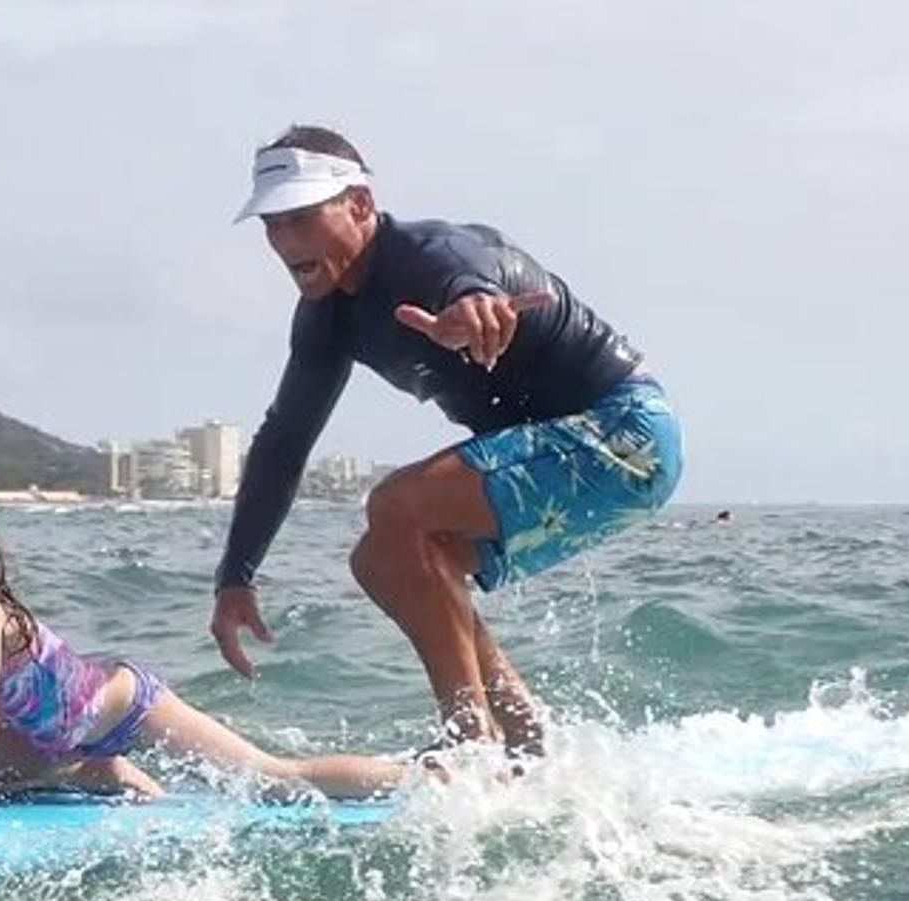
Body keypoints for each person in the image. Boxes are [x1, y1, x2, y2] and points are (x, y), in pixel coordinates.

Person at [213, 125, 683, 756]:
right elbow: (283, 443)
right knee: (384, 562)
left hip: (626, 435)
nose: (284, 240)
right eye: (273, 223)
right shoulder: (325, 319)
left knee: (396, 506)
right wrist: (235, 577)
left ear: (359, 204)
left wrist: (476, 304)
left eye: (301, 217)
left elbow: (473, 266)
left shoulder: (426, 252)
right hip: (574, 454)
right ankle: (524, 738)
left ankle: (467, 738)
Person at [0, 472, 403, 844]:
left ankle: (423, 781)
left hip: (125, 707)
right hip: (53, 737)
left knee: (274, 779)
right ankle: (91, 771)